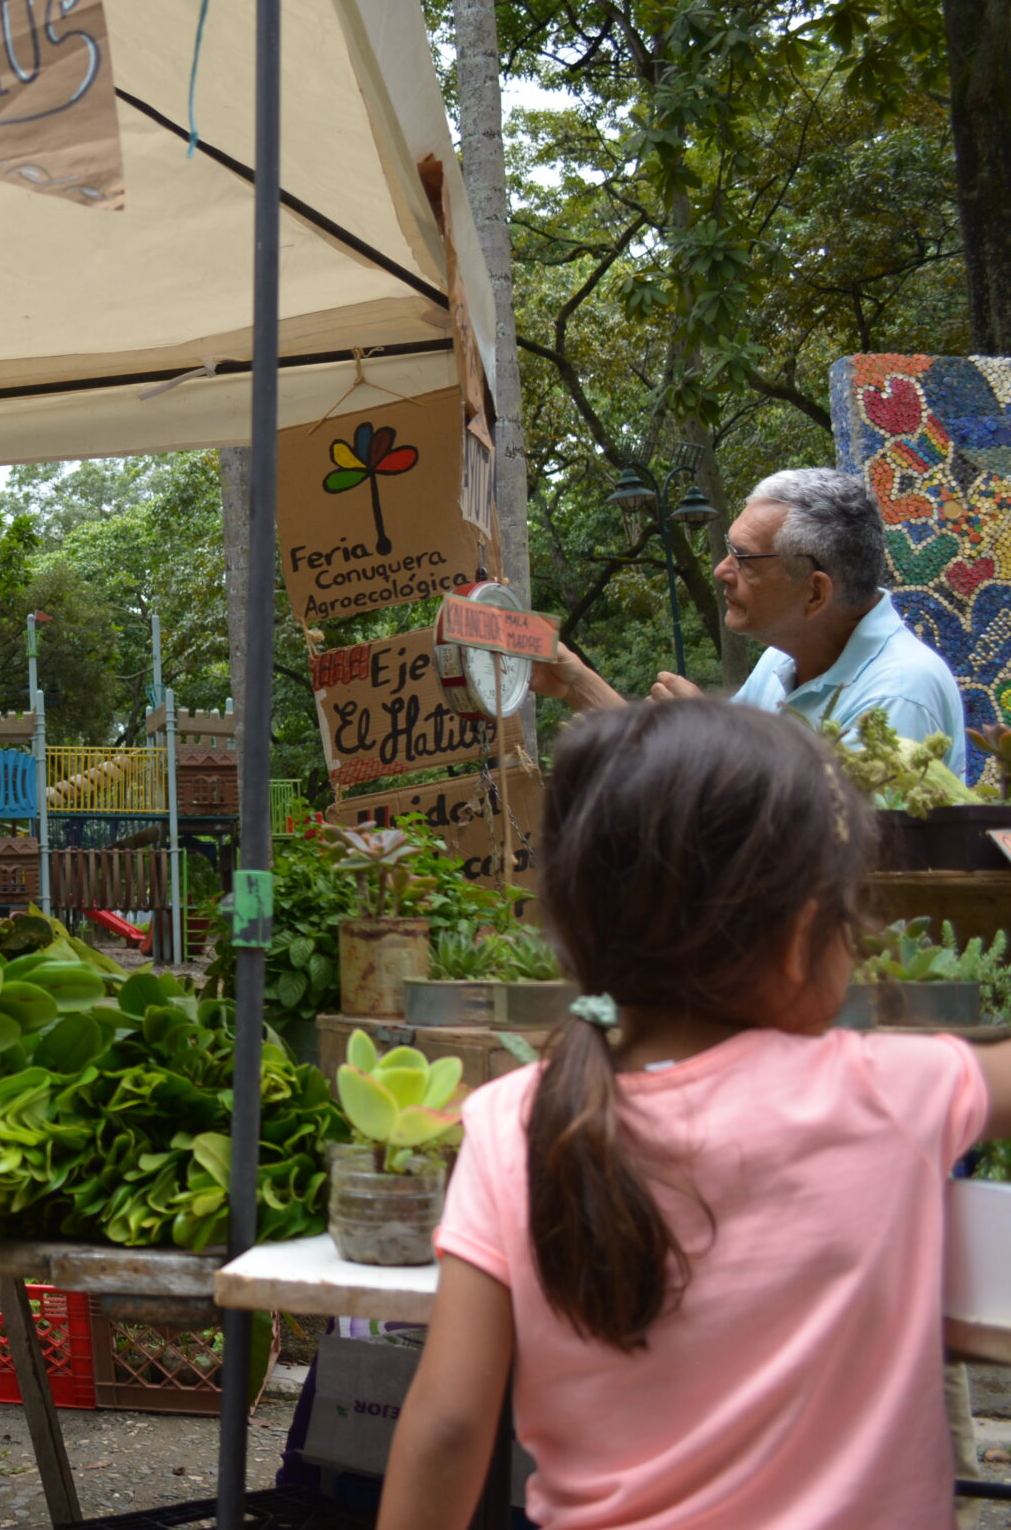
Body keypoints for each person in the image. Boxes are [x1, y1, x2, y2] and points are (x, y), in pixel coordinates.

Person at [378, 700, 1011, 1530]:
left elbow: (451, 1423)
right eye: (847, 918)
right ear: (796, 938)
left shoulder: (511, 1122)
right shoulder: (888, 1091)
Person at [534, 467, 966, 772]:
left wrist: (708, 737)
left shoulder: (897, 696)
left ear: (815, 593)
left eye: (745, 560)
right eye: (729, 549)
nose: (722, 570)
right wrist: (576, 684)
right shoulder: (784, 660)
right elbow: (684, 769)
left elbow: (819, 856)